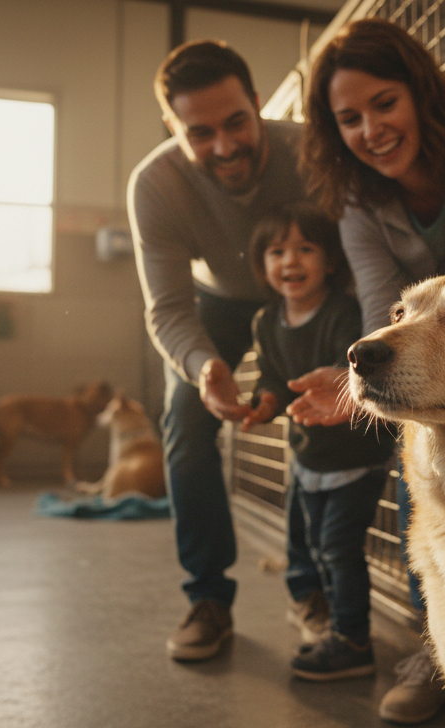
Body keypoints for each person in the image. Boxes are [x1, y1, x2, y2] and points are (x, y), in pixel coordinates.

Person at [292, 18, 445, 723]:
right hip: (440, 361)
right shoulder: (359, 203)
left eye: (383, 103)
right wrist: (354, 386)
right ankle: (438, 652)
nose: (370, 129)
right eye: (348, 118)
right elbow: (381, 312)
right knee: (415, 445)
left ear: (420, 93)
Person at [128, 39, 321, 662]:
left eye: (237, 122)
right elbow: (168, 308)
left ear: (259, 105)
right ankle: (208, 599)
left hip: (308, 294)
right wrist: (204, 367)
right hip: (216, 304)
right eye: (200, 132)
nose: (225, 146)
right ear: (172, 128)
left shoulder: (311, 151)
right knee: (184, 422)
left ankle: (310, 590)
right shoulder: (155, 184)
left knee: (315, 426)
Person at [240, 203, 396, 680]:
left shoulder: (343, 313)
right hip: (307, 457)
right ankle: (312, 606)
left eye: (305, 249)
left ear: (330, 261)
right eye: (277, 251)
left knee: (336, 547)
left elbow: (347, 376)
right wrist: (264, 402)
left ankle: (352, 640)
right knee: (305, 541)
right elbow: (272, 374)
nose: (290, 261)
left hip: (353, 458)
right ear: (262, 264)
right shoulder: (266, 320)